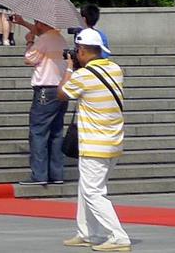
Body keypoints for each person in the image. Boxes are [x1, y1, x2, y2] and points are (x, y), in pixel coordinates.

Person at [58, 28, 130, 250]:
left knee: (93, 192)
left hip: (94, 144)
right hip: (112, 141)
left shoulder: (82, 76)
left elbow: (62, 93)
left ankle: (118, 237)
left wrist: (69, 67)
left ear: (81, 50)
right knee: (86, 187)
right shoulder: (115, 69)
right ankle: (88, 232)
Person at [21, 16, 69, 186]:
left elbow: (29, 59)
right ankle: (56, 173)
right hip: (61, 90)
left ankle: (39, 175)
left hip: (45, 90)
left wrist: (29, 42)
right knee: (56, 132)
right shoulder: (61, 39)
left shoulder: (44, 40)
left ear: (41, 23)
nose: (35, 26)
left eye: (36, 23)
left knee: (38, 132)